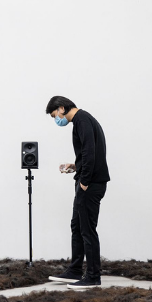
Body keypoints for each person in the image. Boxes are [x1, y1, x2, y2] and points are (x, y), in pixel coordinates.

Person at [45, 96, 110, 289]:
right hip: (88, 180)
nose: (56, 120)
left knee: (87, 229)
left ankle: (93, 277)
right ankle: (74, 270)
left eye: (54, 115)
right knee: (77, 225)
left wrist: (84, 182)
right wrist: (75, 166)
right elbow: (89, 153)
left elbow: (90, 152)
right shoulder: (82, 121)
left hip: (91, 184)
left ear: (61, 108)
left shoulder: (82, 120)